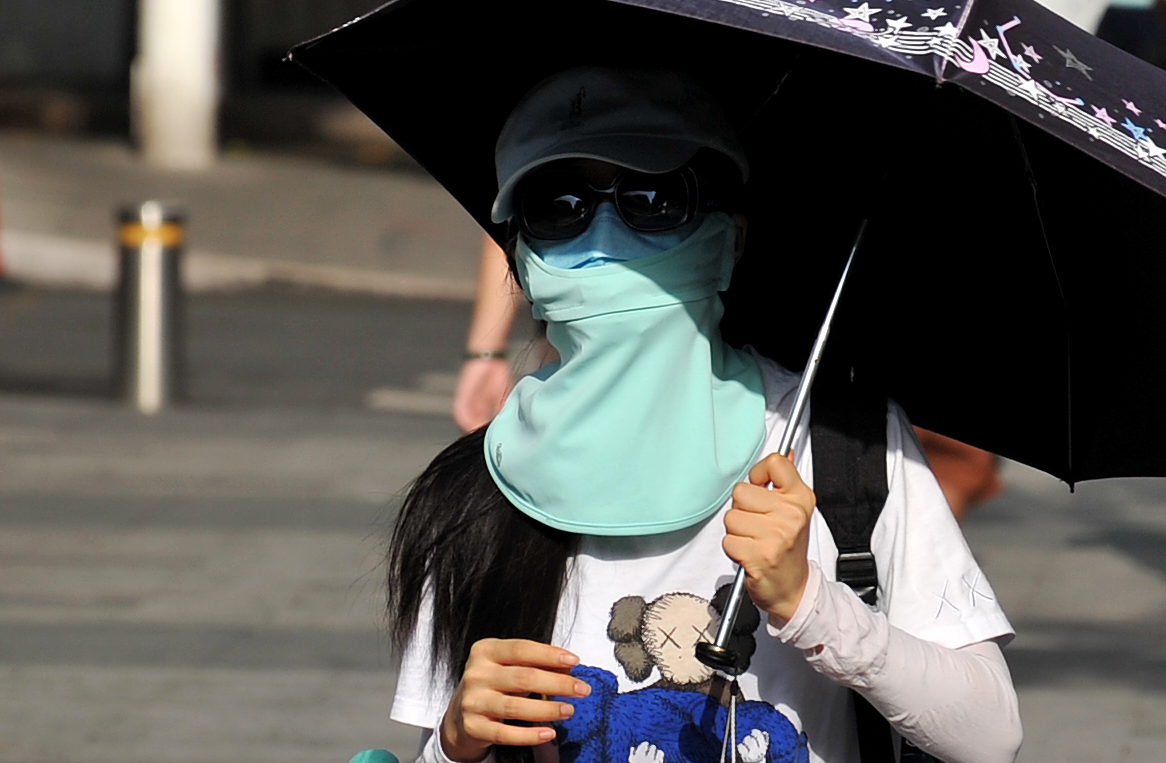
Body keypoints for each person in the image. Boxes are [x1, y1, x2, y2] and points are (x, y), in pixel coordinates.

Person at [388, 67, 1023, 763]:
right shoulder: (474, 494)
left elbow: (989, 736)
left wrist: (809, 603)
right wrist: (453, 743)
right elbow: (445, 745)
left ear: (732, 236)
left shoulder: (838, 445)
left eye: (654, 198)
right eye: (559, 204)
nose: (605, 235)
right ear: (518, 253)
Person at [452, 0, 737, 432]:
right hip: (711, 339)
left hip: (575, 330)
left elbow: (513, 199)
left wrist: (485, 349)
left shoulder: (553, 23)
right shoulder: (737, 30)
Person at [816, 0, 1003, 522]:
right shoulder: (953, 21)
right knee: (940, 464)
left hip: (815, 275)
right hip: (930, 271)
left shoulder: (794, 12)